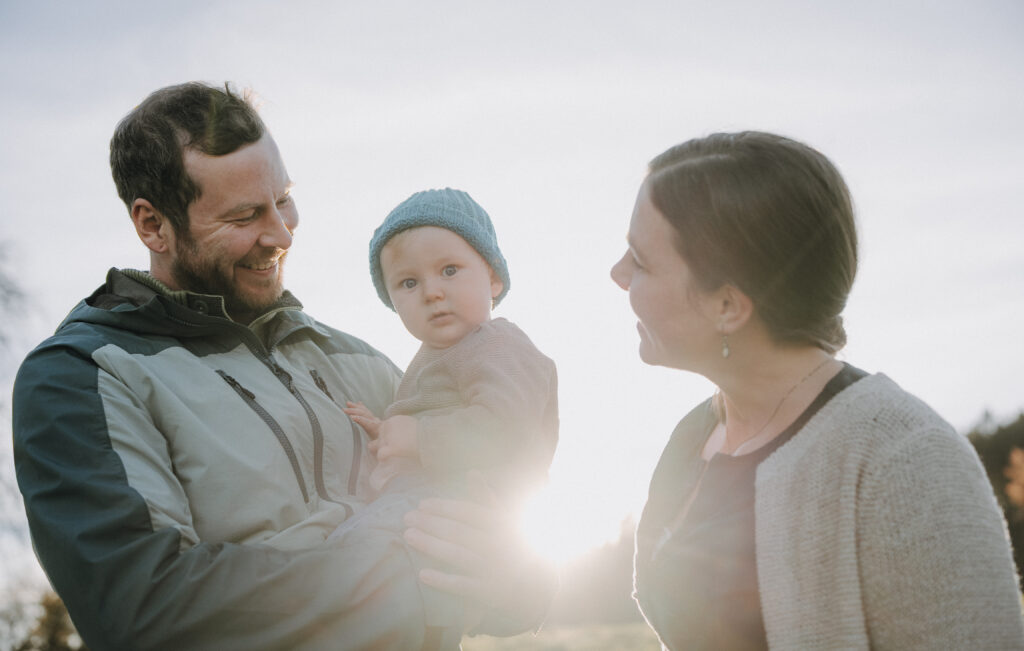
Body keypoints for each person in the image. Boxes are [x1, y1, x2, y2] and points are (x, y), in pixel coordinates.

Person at [12, 82, 552, 650]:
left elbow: (506, 537)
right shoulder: (82, 377)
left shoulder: (362, 362)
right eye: (245, 215)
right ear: (152, 225)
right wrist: (411, 574)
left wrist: (516, 578)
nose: (281, 233)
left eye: (284, 199)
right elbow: (146, 611)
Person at [610, 131, 1024, 649]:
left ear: (728, 307)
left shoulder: (907, 458)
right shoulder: (694, 434)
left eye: (641, 261)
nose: (617, 274)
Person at [339, 187, 558, 506]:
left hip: (462, 509)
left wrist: (417, 437)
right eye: (409, 283)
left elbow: (506, 428)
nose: (432, 292)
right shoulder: (438, 356)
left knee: (343, 553)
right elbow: (440, 414)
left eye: (449, 270)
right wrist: (387, 431)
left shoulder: (497, 344)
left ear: (493, 277)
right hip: (417, 503)